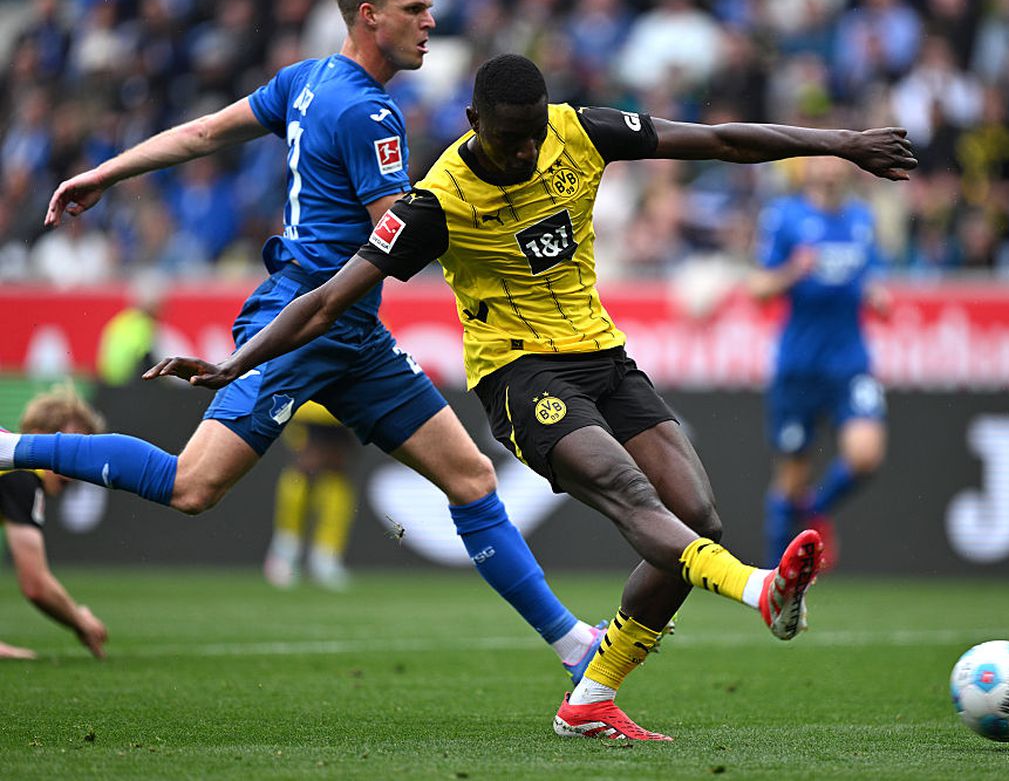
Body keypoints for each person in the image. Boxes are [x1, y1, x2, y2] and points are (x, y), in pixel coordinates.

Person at [141, 54, 918, 740]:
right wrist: (234, 362)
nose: (522, 150)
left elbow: (716, 140)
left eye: (531, 134)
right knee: (627, 491)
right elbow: (324, 300)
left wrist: (842, 144)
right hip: (519, 378)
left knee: (695, 520)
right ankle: (757, 587)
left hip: (605, 360)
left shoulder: (577, 130)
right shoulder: (433, 204)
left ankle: (592, 695)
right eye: (507, 137)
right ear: (474, 120)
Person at [0, 0, 604, 684]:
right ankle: (12, 444)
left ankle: (573, 646)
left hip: (353, 334)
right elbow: (392, 235)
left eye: (431, 8)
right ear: (370, 16)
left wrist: (107, 171)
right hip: (305, 322)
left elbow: (201, 133)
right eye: (415, 9)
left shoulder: (306, 80)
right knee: (193, 485)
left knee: (471, 478)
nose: (430, 22)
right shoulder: (371, 114)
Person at [747, 156, 891, 568]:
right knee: (790, 480)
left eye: (837, 164)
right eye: (821, 163)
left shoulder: (862, 219)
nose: (829, 171)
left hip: (850, 361)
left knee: (866, 455)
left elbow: (871, 276)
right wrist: (795, 269)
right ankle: (777, 581)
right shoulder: (785, 217)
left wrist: (876, 295)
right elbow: (757, 288)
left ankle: (814, 512)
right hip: (799, 365)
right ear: (806, 170)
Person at [0, 387, 109, 660]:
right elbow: (36, 584)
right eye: (68, 447)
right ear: (37, 436)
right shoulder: (21, 473)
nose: (75, 465)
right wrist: (79, 620)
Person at [263, 401, 359, 590]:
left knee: (336, 472)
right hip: (309, 398)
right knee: (305, 467)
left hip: (348, 395)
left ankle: (326, 557)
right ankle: (285, 551)